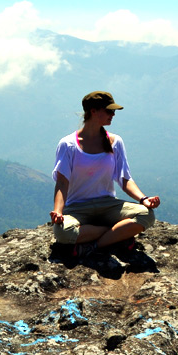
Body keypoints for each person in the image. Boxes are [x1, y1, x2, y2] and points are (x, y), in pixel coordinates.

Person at [50, 91, 161, 258]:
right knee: (63, 232)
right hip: (77, 208)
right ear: (93, 111)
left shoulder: (115, 142)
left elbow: (125, 179)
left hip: (108, 205)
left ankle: (93, 246)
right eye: (109, 110)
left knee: (146, 215)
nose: (113, 114)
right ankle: (115, 234)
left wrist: (144, 199)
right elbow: (62, 182)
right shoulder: (68, 145)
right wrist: (58, 212)